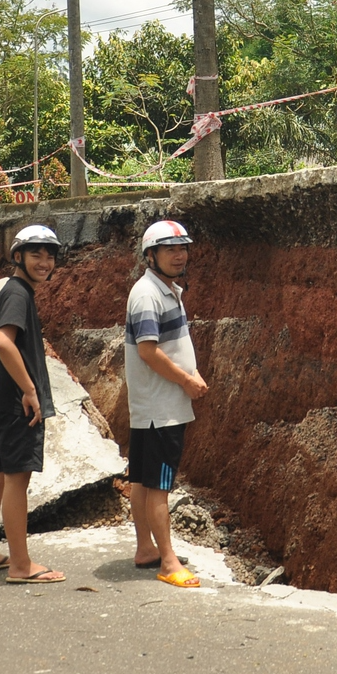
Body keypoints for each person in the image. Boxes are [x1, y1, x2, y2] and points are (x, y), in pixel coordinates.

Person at [0, 223, 65, 584]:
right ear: (18, 257)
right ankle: (20, 565)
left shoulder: (14, 291)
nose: (45, 261)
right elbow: (3, 342)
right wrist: (30, 390)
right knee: (16, 481)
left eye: (50, 255)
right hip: (15, 404)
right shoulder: (18, 295)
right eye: (36, 254)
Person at [124, 218, 208, 589]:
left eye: (183, 248)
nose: (180, 254)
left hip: (152, 407)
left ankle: (146, 548)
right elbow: (148, 352)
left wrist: (192, 371)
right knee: (159, 485)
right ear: (151, 255)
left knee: (142, 479)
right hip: (162, 408)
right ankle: (169, 561)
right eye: (170, 249)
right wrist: (187, 380)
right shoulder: (148, 294)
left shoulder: (165, 289)